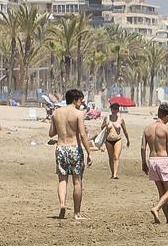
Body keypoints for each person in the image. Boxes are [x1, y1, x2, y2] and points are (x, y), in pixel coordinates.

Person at [49, 86, 91, 219]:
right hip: (74, 148)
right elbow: (83, 135)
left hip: (61, 147)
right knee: (77, 181)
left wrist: (62, 127)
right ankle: (77, 213)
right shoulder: (78, 114)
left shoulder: (56, 113)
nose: (81, 104)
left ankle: (62, 204)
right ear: (75, 100)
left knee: (62, 180)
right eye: (80, 101)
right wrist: (89, 153)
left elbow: (51, 133)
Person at [141, 102, 168, 223]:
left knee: (162, 193)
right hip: (163, 160)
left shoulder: (147, 128)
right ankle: (156, 208)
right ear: (165, 116)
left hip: (152, 160)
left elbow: (143, 148)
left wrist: (143, 163)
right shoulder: (165, 128)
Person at [99, 103, 131, 179]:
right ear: (111, 109)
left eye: (116, 109)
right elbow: (102, 127)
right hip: (108, 140)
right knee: (110, 157)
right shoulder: (107, 118)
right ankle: (112, 172)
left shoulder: (121, 119)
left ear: (118, 110)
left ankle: (115, 174)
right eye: (113, 109)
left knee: (116, 156)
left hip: (117, 140)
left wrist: (128, 140)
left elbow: (125, 130)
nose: (114, 110)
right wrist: (105, 125)